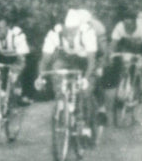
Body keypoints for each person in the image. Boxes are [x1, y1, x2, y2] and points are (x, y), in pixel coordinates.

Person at [34, 8, 99, 139]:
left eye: (73, 30)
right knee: (56, 68)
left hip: (84, 60)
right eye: (67, 31)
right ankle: (62, 104)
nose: (70, 34)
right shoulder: (54, 34)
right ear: (62, 27)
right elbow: (45, 59)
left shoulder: (87, 32)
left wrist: (86, 78)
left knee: (85, 90)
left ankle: (85, 122)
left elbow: (91, 61)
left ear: (78, 27)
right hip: (66, 58)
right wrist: (40, 76)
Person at [0, 13, 30, 105]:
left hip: (16, 58)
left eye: (0, 28)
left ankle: (24, 94)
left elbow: (22, 58)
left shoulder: (17, 35)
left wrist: (16, 72)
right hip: (1, 58)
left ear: (7, 28)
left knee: (27, 67)